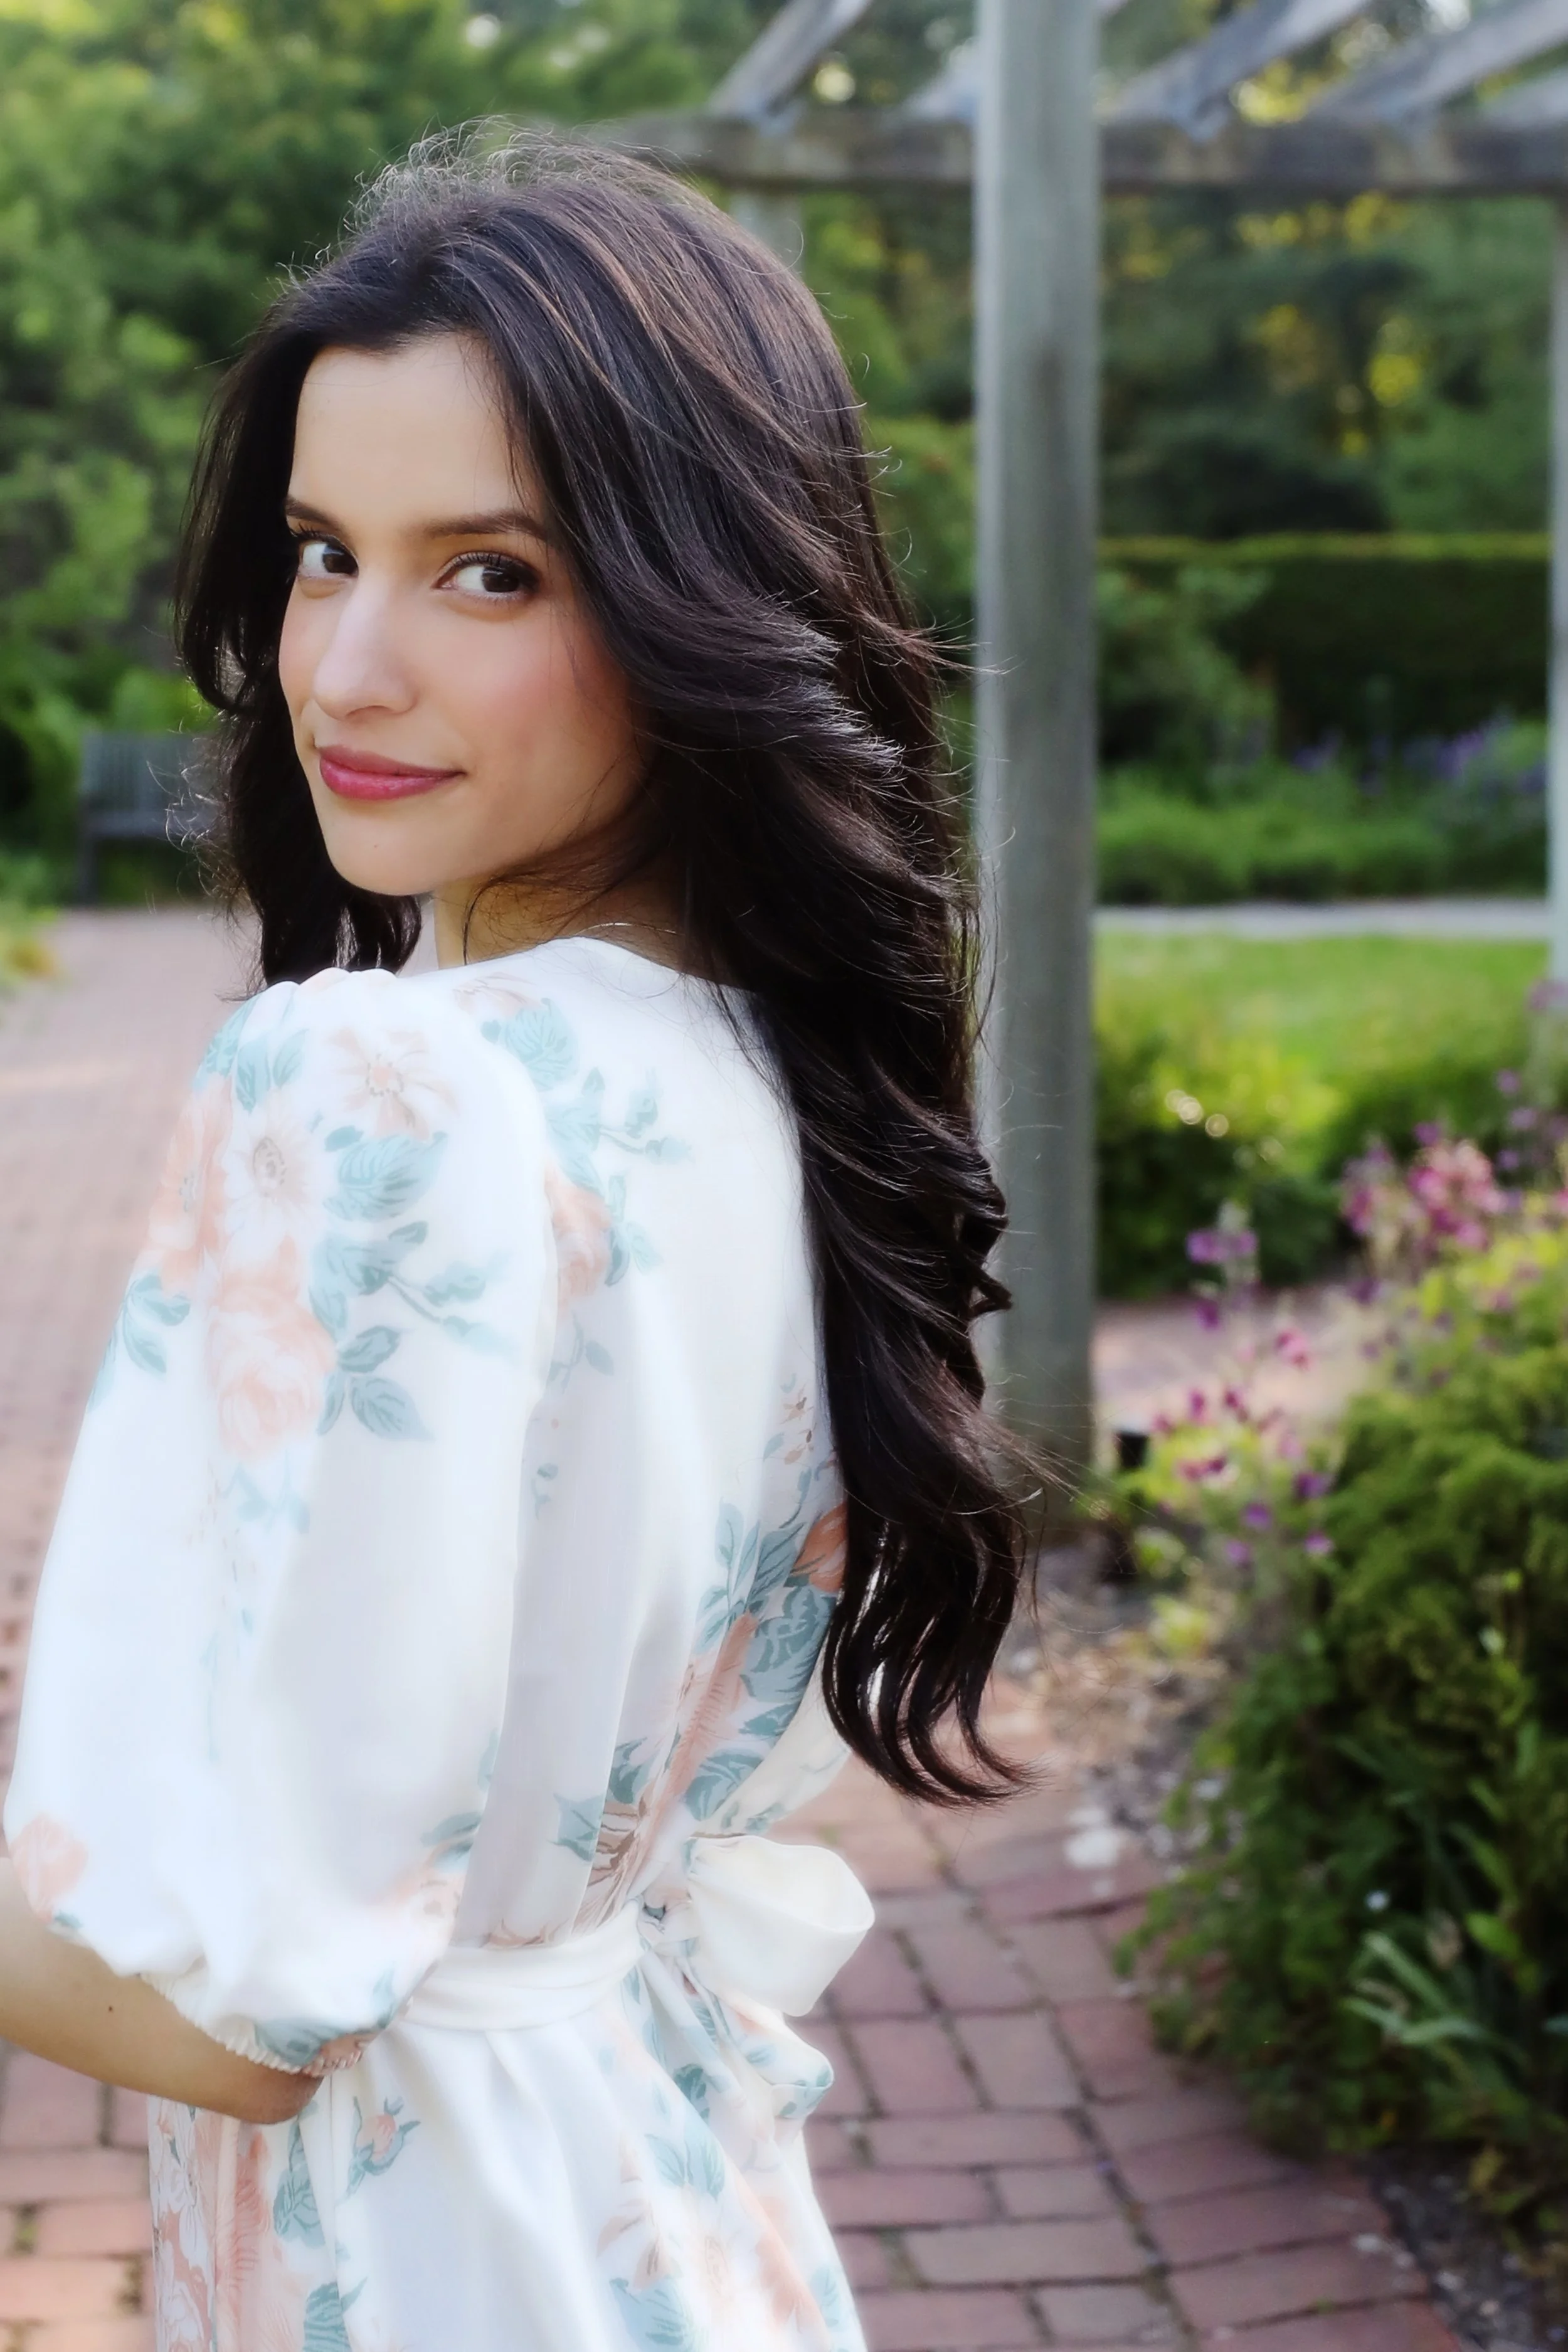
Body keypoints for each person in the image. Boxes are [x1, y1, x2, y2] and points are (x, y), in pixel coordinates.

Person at [1, 135, 1027, 2351]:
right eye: (320, 553)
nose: (347, 668)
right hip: (671, 2211)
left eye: (489, 573)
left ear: (695, 599)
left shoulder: (374, 1086)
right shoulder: (786, 1081)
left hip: (434, 2262)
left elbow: (238, 2000)